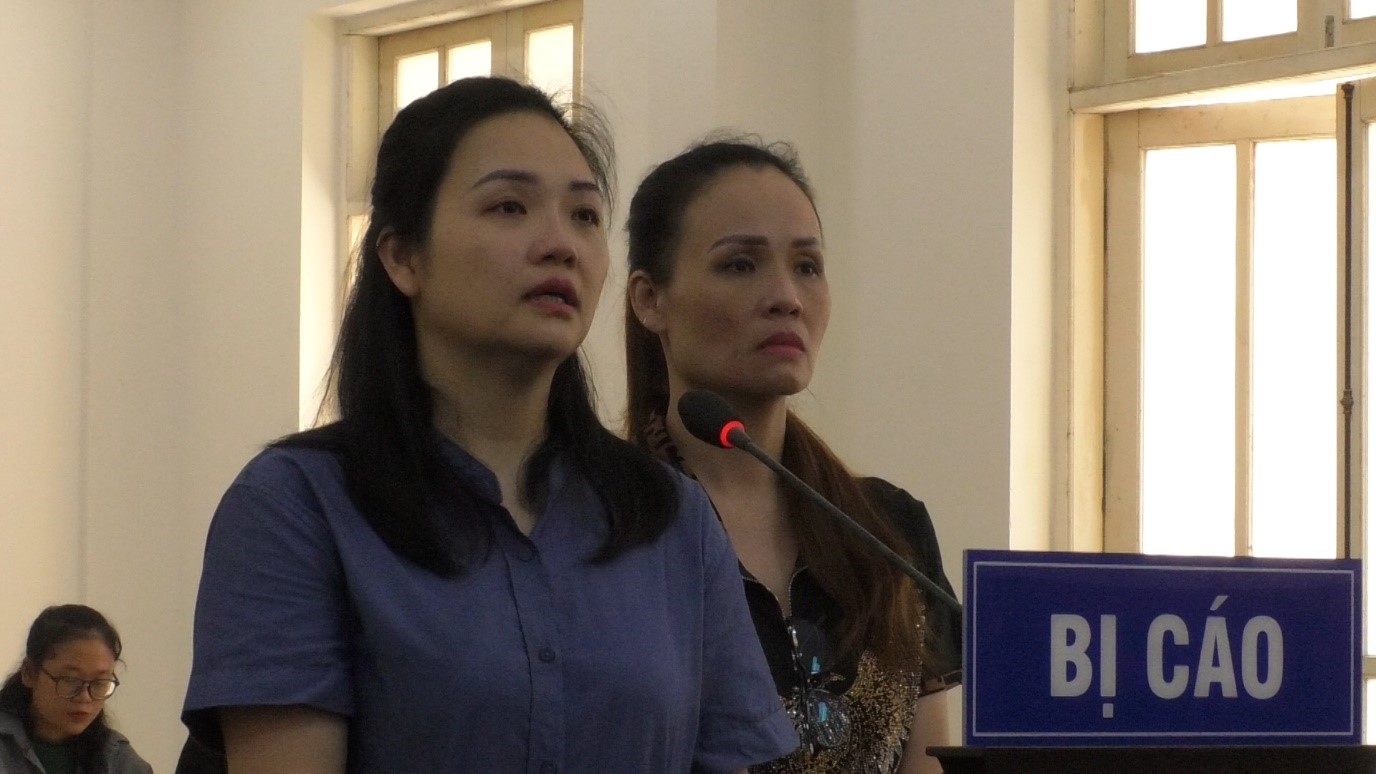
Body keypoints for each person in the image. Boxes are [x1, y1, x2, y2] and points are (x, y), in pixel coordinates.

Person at [181, 77, 797, 772]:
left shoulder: (672, 519)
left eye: (585, 216)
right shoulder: (298, 506)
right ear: (403, 257)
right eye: (510, 207)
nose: (561, 244)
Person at [624, 139, 962, 774]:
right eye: (739, 265)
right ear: (650, 300)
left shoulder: (889, 529)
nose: (787, 297)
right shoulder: (605, 524)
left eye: (807, 266)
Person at [0, 605, 152, 774]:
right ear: (29, 673)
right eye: (70, 680)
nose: (85, 697)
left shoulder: (120, 761)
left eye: (99, 683)